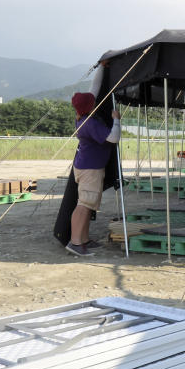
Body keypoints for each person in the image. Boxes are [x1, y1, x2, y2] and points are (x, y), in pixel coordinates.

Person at [66, 92, 121, 257]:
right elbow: (113, 138)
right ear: (91, 106)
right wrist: (116, 119)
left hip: (88, 166)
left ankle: (84, 239)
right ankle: (75, 242)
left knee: (88, 205)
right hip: (90, 168)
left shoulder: (81, 119)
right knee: (84, 205)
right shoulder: (89, 123)